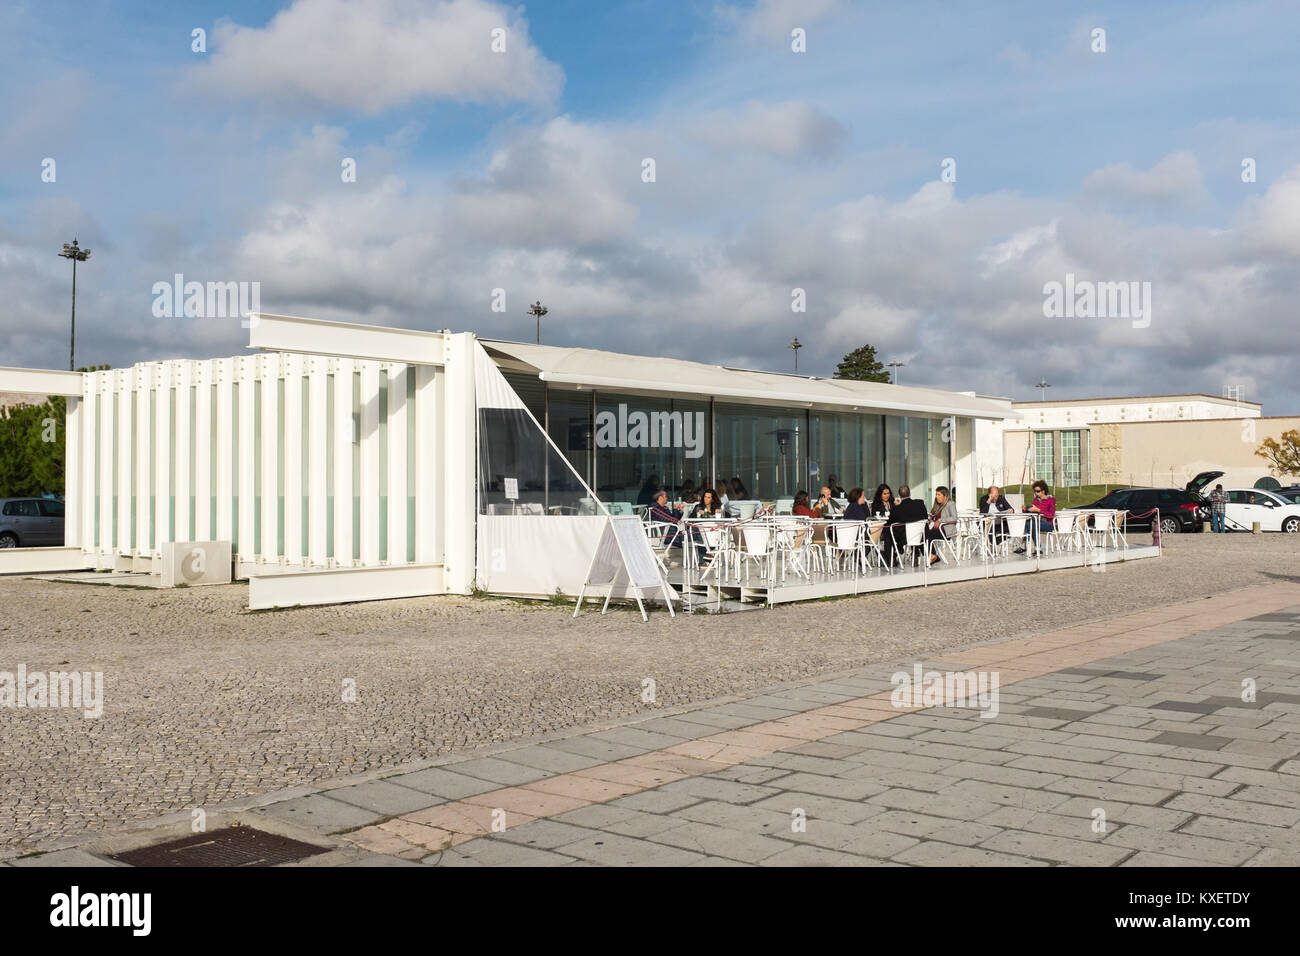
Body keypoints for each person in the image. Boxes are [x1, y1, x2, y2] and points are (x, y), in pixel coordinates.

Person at [890, 484, 929, 565]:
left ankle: (893, 556)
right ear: (910, 494)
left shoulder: (896, 508)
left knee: (889, 532)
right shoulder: (920, 503)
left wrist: (895, 505)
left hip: (903, 539)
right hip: (920, 536)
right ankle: (915, 552)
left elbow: (891, 522)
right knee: (914, 529)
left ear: (899, 495)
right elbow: (925, 518)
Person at [1015, 480, 1055, 554]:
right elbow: (1031, 513)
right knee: (1030, 524)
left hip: (1048, 524)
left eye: (1037, 491)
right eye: (1035, 491)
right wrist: (1025, 509)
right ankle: (1038, 548)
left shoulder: (1050, 500)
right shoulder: (1035, 500)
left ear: (1043, 491)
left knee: (1030, 524)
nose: (1036, 493)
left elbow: (1051, 515)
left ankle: (1024, 545)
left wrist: (1038, 510)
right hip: (1036, 522)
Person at [925, 486, 958, 566]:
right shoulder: (937, 505)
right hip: (936, 529)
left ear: (945, 495)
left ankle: (933, 555)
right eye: (936, 494)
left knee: (927, 534)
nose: (936, 497)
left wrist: (940, 520)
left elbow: (954, 518)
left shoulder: (950, 504)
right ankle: (933, 555)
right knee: (923, 533)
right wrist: (930, 517)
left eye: (939, 495)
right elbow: (935, 517)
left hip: (946, 531)